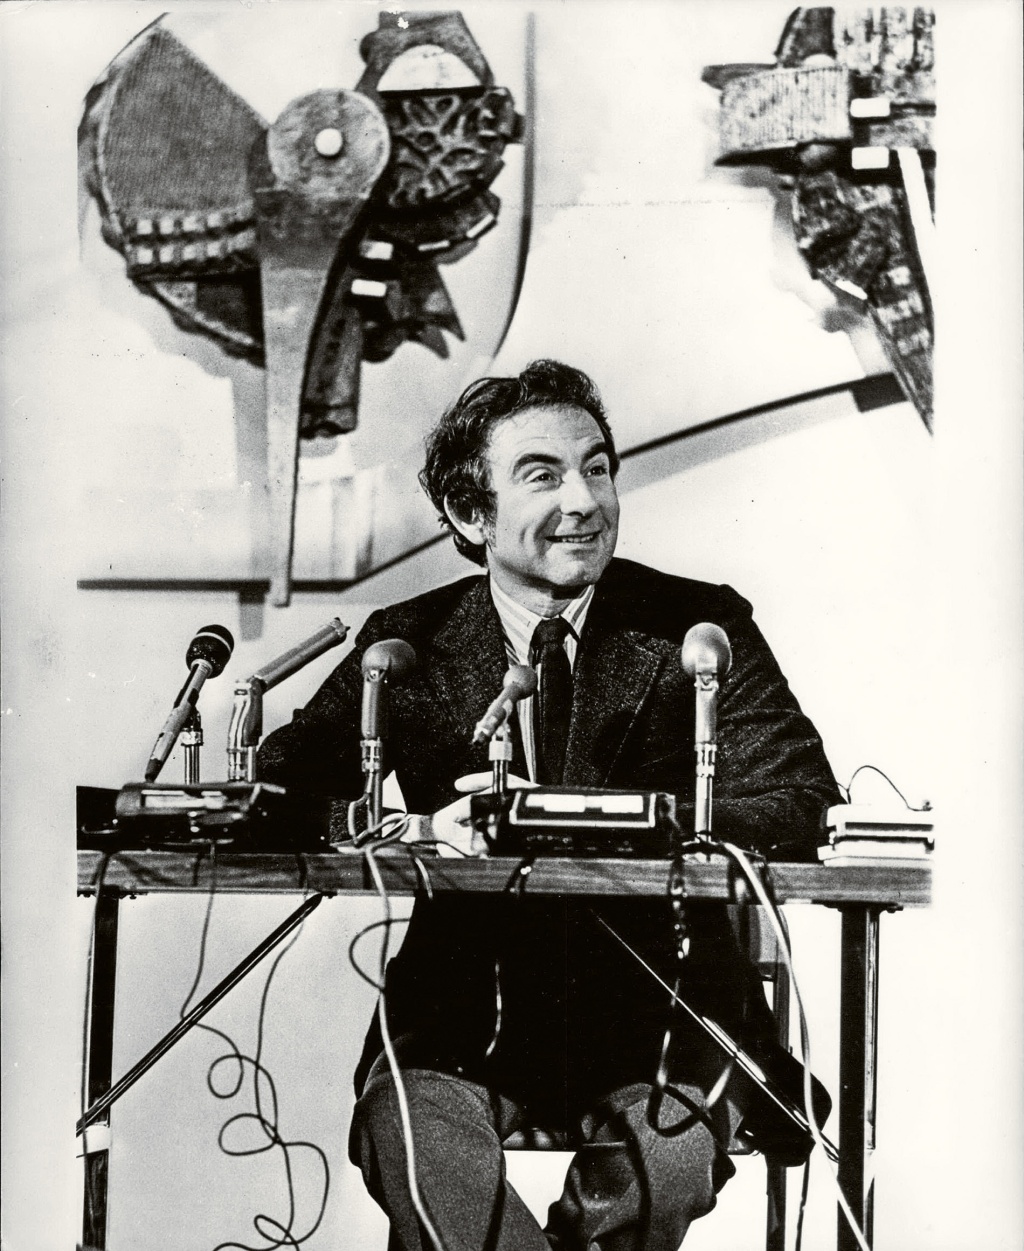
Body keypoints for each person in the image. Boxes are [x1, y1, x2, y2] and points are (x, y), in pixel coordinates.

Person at [258, 360, 840, 1251]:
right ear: (469, 513)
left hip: (669, 1018)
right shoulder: (406, 645)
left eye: (598, 467)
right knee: (413, 1144)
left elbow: (799, 792)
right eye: (543, 474)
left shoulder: (698, 628)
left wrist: (632, 819)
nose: (585, 499)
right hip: (463, 1023)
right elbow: (281, 783)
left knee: (668, 1163)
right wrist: (409, 827)